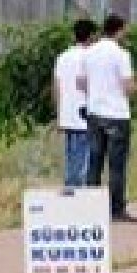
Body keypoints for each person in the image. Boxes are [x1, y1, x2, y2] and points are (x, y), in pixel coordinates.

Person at [82, 13, 137, 223]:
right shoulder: (121, 54)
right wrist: (135, 87)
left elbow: (81, 82)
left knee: (95, 161)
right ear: (119, 30)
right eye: (125, 30)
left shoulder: (89, 53)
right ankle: (116, 209)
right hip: (116, 114)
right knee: (116, 165)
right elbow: (128, 86)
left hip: (94, 113)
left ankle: (90, 208)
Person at [52, 18, 96, 188]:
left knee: (71, 160)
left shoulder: (62, 57)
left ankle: (70, 196)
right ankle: (76, 201)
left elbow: (56, 87)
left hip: (67, 115)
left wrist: (59, 115)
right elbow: (85, 84)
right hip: (84, 116)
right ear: (91, 36)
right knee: (82, 165)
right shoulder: (90, 57)